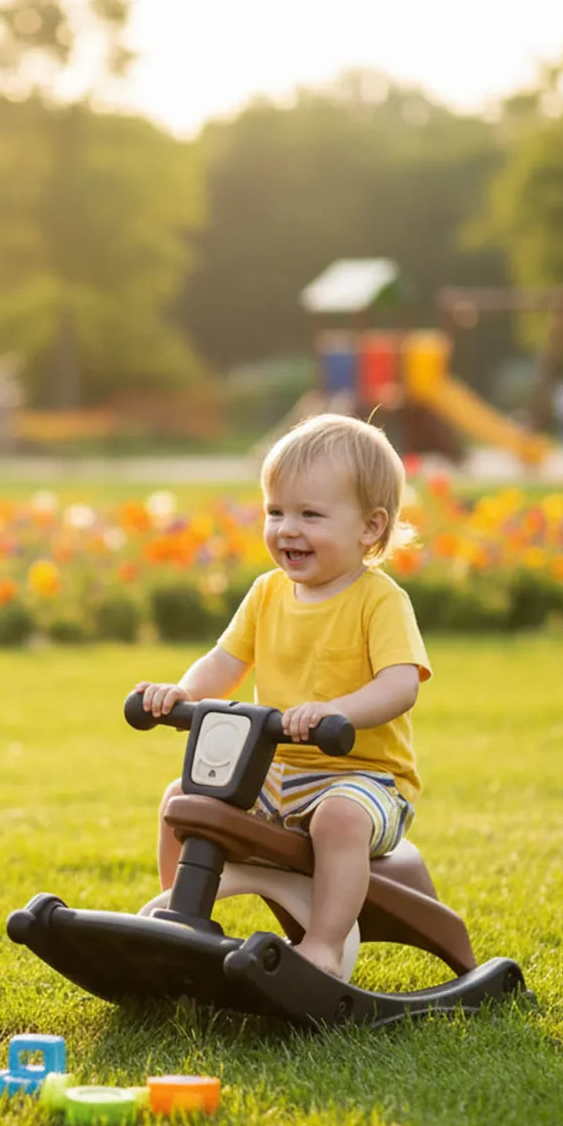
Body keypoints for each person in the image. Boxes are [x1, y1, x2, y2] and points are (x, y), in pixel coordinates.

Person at [137, 415, 430, 979]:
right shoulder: (268, 592)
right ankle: (180, 923)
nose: (287, 529)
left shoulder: (379, 602)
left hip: (363, 780)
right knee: (185, 799)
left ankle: (322, 945)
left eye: (310, 515)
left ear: (371, 528)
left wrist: (333, 711)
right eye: (276, 512)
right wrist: (182, 692)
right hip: (271, 774)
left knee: (339, 820)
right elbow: (225, 661)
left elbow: (400, 685)